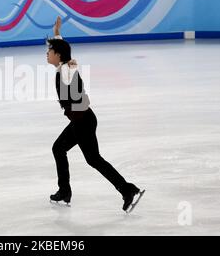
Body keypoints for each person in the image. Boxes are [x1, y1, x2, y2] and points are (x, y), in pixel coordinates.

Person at [46, 16, 145, 213]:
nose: (47, 54)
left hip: (83, 121)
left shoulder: (67, 70)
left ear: (57, 55)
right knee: (59, 149)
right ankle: (64, 191)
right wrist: (57, 32)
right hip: (80, 120)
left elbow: (69, 66)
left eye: (49, 51)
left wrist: (69, 60)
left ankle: (127, 189)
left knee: (93, 159)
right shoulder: (63, 66)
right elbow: (65, 54)